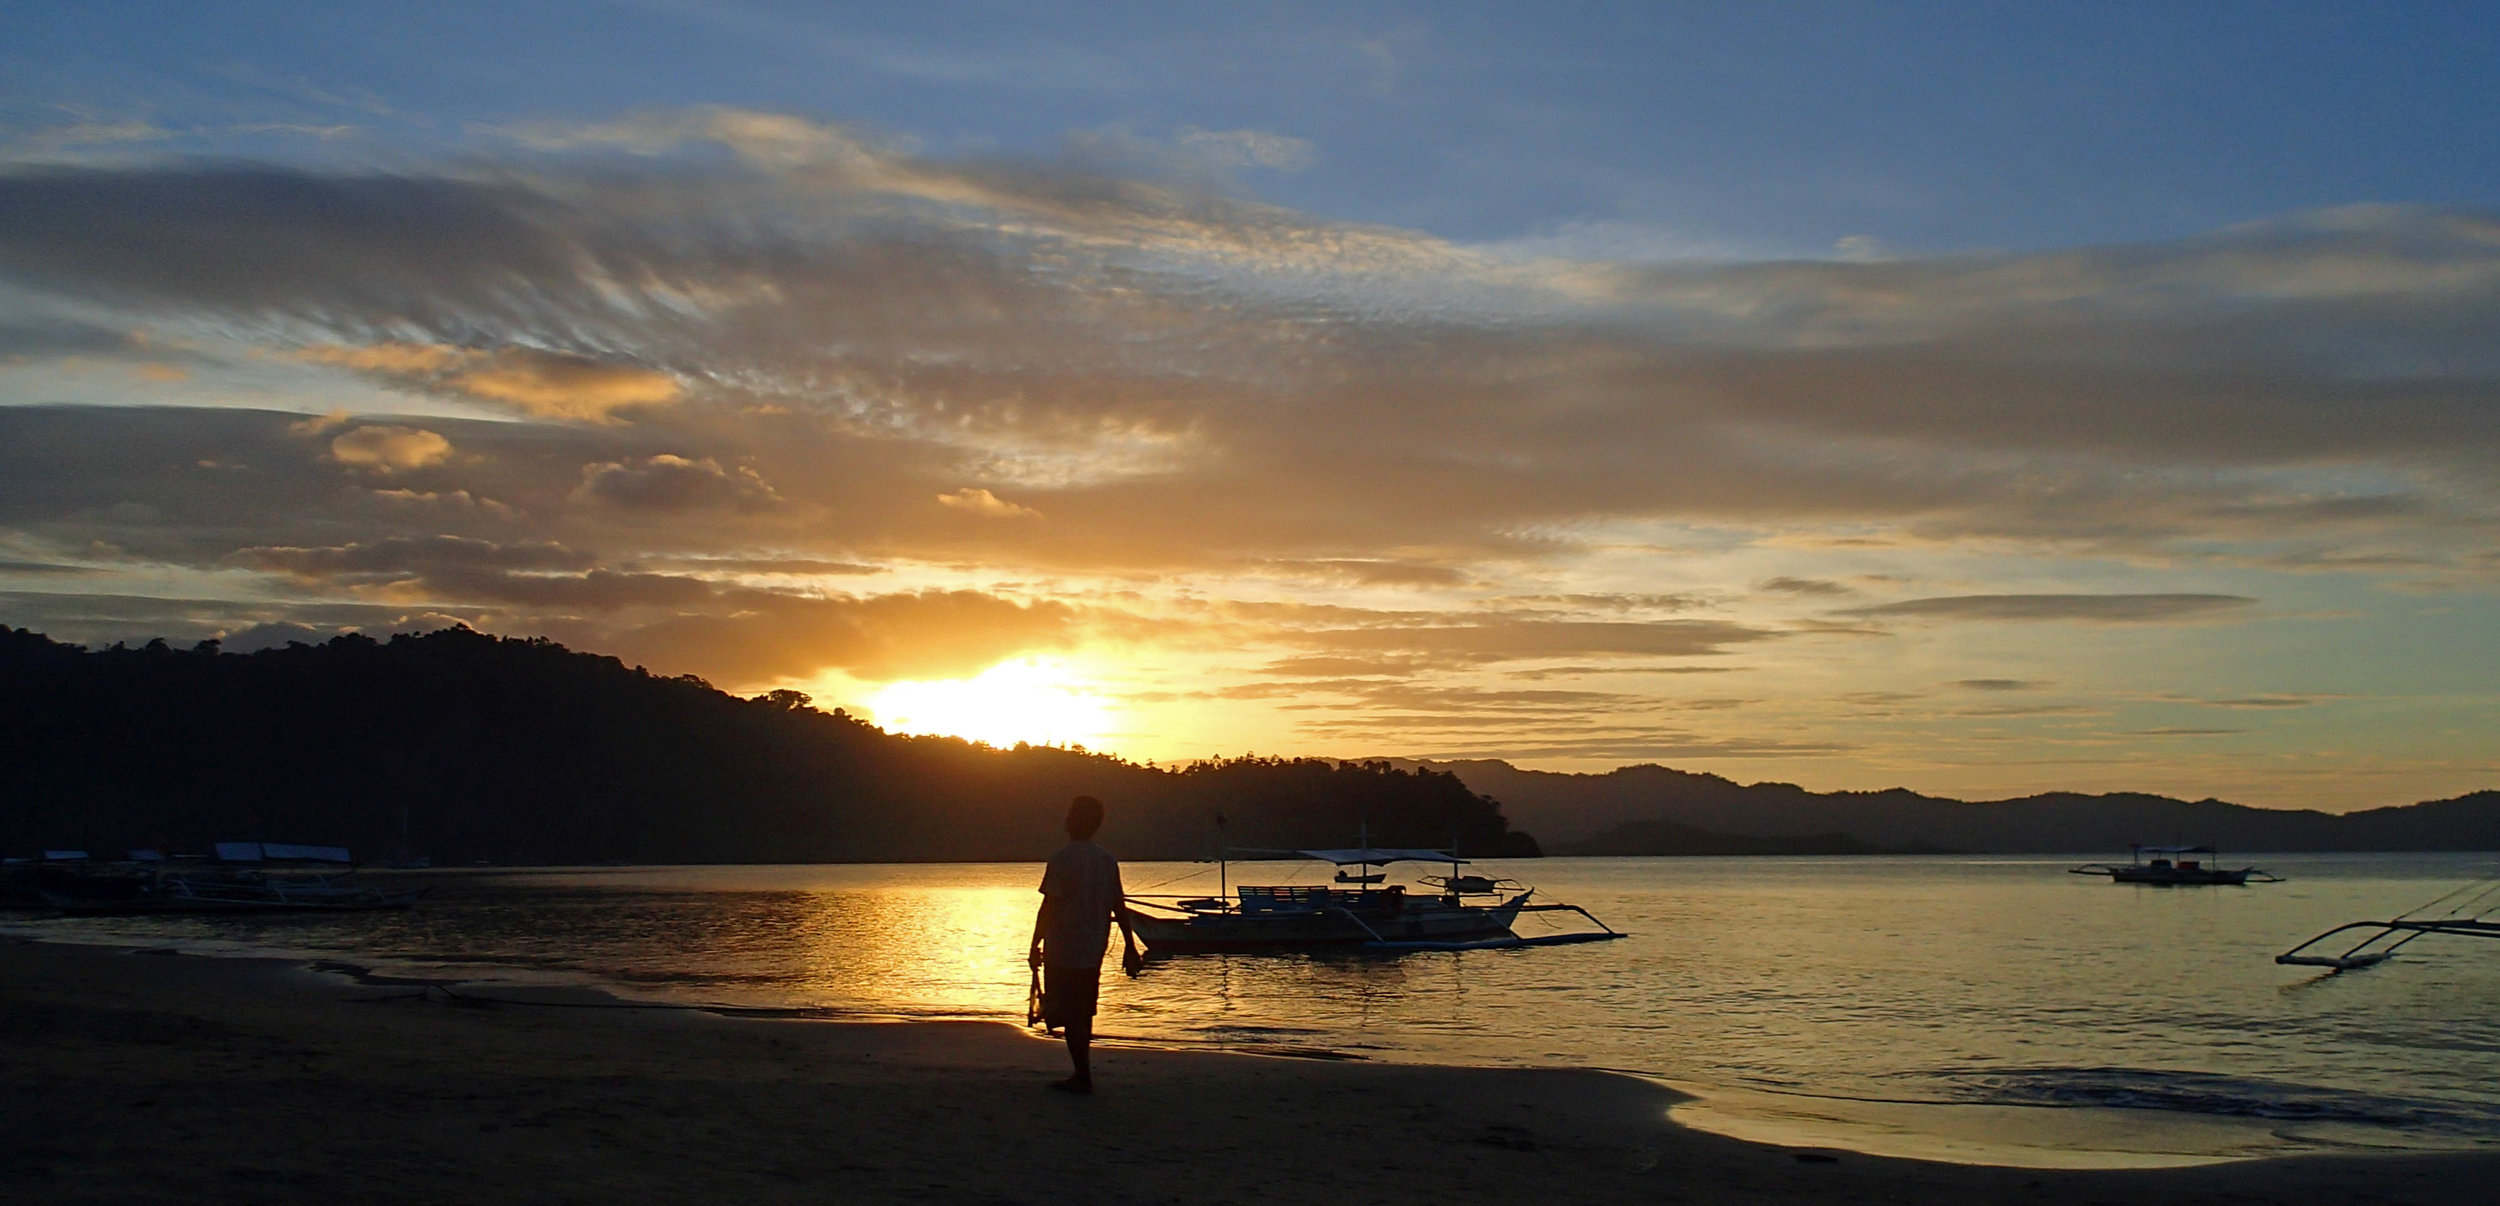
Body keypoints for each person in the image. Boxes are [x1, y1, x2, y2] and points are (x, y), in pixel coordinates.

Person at [1029, 794, 1141, 1094]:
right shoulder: (1106, 860)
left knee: (1068, 1012)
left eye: (1070, 813)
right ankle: (1082, 1072)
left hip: (1064, 945)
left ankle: (1082, 1075)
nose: (1066, 817)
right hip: (1092, 948)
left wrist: (1034, 945)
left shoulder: (1062, 858)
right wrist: (1130, 947)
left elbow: (1049, 906)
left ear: (1077, 820)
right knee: (1082, 1011)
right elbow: (1119, 906)